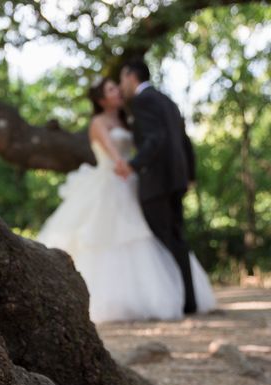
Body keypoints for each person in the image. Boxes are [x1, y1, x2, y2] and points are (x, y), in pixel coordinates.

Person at [36, 76, 215, 323]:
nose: (118, 91)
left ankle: (174, 295)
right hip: (110, 180)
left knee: (149, 234)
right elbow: (112, 153)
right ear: (101, 99)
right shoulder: (98, 122)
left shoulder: (128, 119)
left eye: (117, 87)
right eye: (112, 89)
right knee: (105, 237)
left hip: (132, 182)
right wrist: (125, 164)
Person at [116, 58, 201, 314]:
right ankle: (189, 300)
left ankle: (176, 300)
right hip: (177, 179)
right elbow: (185, 142)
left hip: (157, 181)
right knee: (177, 238)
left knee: (162, 240)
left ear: (132, 76)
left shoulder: (143, 101)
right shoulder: (169, 101)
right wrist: (191, 175)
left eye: (122, 79)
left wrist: (134, 164)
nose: (121, 86)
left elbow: (156, 138)